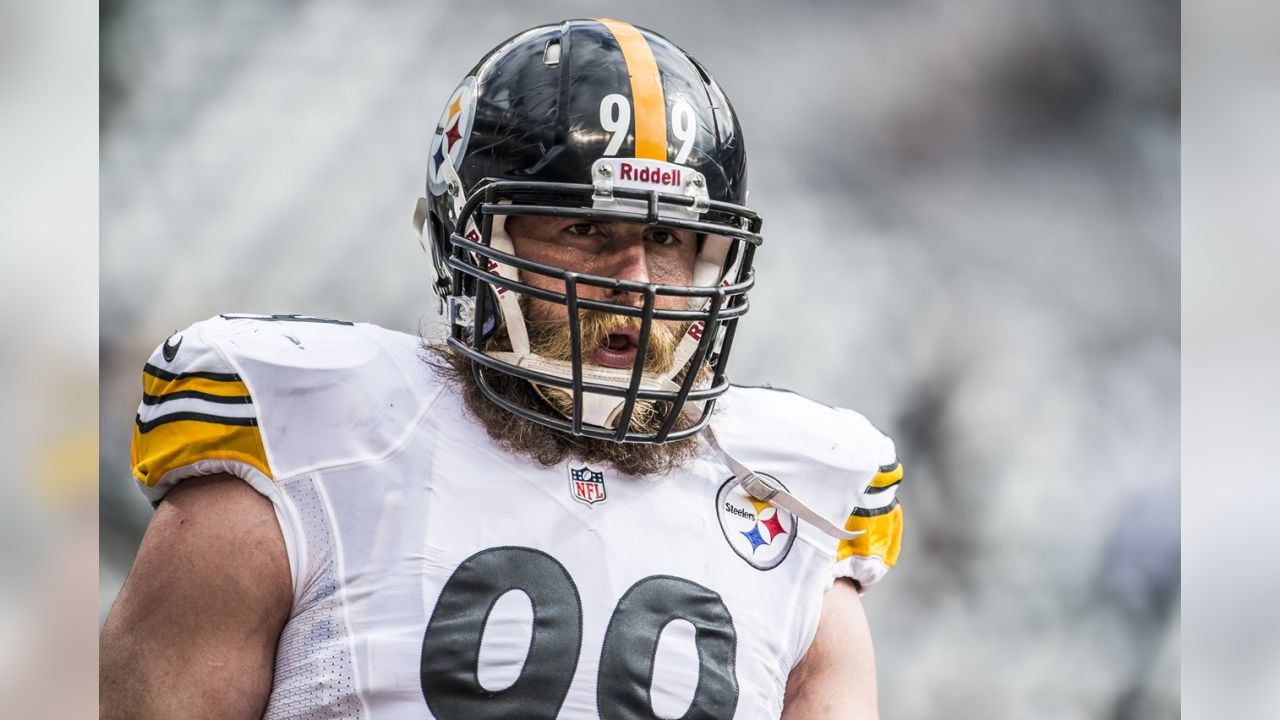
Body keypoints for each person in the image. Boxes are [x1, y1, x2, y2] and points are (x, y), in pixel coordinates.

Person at [99, 18, 905, 720]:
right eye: (587, 233)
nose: (635, 282)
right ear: (471, 247)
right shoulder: (305, 439)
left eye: (666, 241)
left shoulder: (797, 498)